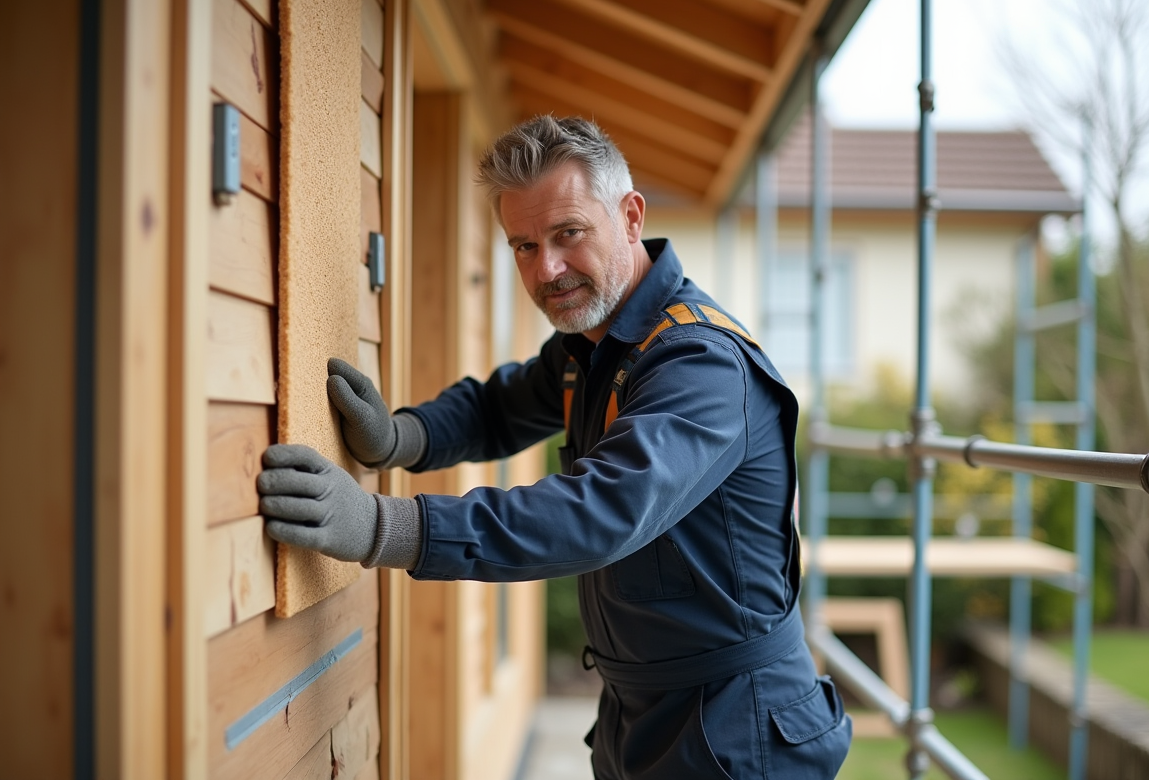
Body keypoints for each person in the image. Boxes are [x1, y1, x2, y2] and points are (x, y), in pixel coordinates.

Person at [258, 115, 852, 779]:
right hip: (645, 713)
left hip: (738, 730)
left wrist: (381, 525)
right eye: (523, 245)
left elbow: (598, 512)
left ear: (630, 216)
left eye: (568, 234)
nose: (548, 268)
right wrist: (401, 435)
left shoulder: (699, 365)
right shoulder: (598, 341)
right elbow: (499, 405)